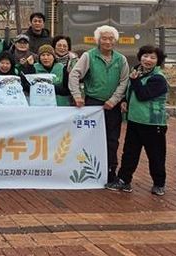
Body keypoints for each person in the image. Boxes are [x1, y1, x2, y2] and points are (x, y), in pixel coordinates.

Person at [69, 25, 129, 183]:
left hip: (112, 106)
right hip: (93, 105)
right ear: (98, 40)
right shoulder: (89, 56)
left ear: (115, 40)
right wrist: (77, 95)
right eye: (104, 38)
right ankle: (87, 171)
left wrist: (114, 100)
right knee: (89, 138)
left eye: (111, 38)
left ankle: (110, 171)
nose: (108, 42)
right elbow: (74, 74)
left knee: (112, 140)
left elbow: (124, 81)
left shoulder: (121, 59)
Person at [106, 45, 168, 196]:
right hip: (134, 121)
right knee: (129, 153)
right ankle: (123, 180)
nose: (148, 60)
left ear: (158, 61)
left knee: (156, 155)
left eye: (153, 57)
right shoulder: (136, 72)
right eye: (145, 56)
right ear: (140, 57)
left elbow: (143, 95)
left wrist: (135, 80)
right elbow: (130, 91)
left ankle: (159, 184)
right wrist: (125, 101)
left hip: (153, 123)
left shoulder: (158, 78)